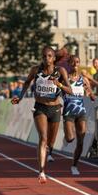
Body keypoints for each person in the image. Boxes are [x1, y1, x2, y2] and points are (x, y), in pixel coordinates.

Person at [11, 46, 73, 184]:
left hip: (55, 108)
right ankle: (41, 171)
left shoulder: (60, 71)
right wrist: (19, 97)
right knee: (43, 138)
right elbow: (27, 83)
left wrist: (59, 85)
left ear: (54, 58)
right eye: (44, 56)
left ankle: (48, 152)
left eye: (50, 56)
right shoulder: (36, 70)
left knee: (50, 143)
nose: (47, 59)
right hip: (40, 108)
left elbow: (70, 90)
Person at [62, 55, 96, 175]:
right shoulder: (64, 79)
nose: (75, 64)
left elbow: (91, 94)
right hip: (68, 112)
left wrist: (91, 95)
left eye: (77, 62)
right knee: (70, 138)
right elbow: (57, 93)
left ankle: (74, 165)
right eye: (73, 62)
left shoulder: (83, 80)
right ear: (69, 64)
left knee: (81, 140)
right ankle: (66, 136)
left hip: (80, 112)